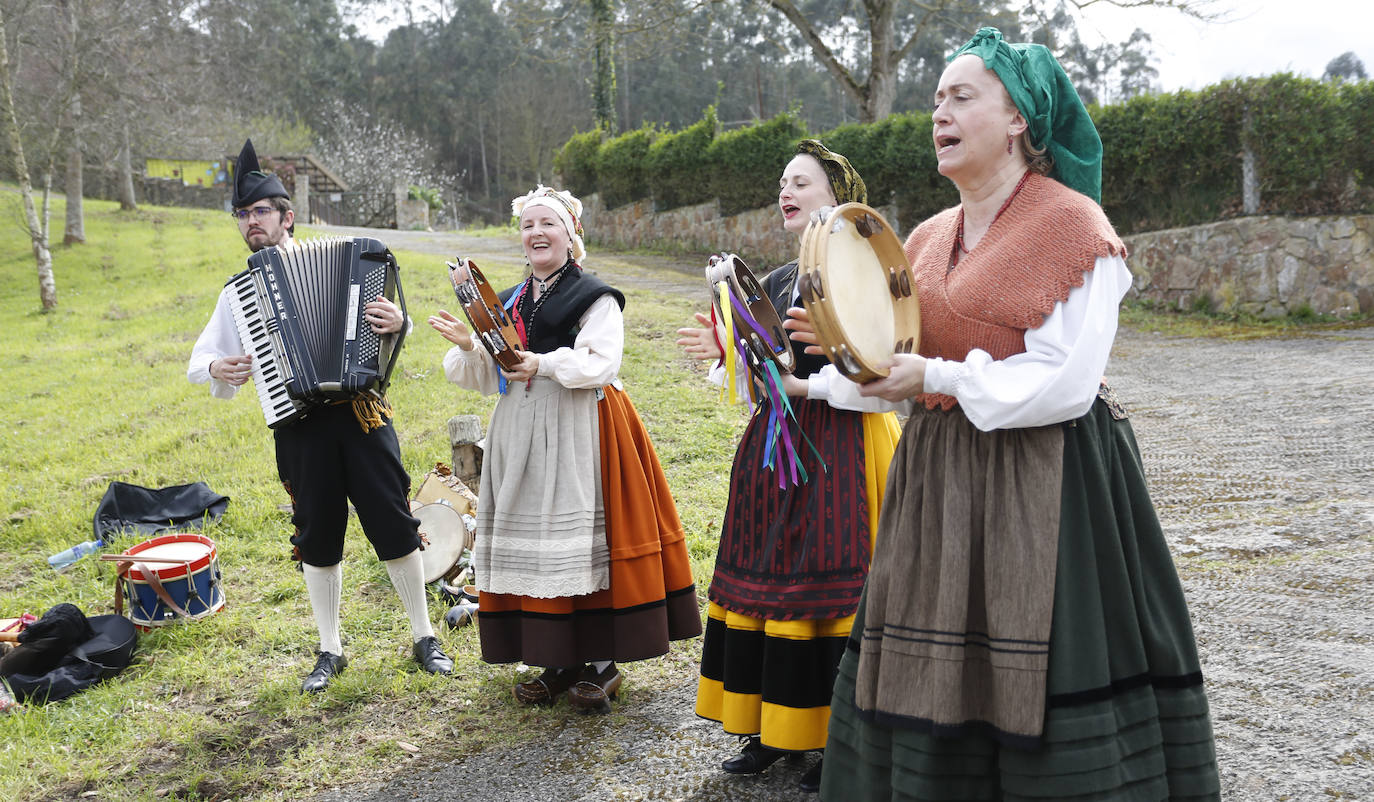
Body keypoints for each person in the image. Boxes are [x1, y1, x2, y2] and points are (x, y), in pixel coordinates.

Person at [791, 29, 1220, 799]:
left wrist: (941, 374)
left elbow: (1066, 382)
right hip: (939, 485)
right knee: (935, 665)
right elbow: (898, 372)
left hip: (1047, 482)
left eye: (961, 96)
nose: (938, 113)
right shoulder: (919, 240)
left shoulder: (1074, 227)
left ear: (1019, 117)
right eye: (934, 101)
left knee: (1040, 663)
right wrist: (825, 373)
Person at [188, 139, 454, 693]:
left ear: (287, 217)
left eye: (260, 211)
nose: (250, 222)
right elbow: (201, 357)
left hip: (360, 413)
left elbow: (389, 328)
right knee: (316, 533)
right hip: (299, 423)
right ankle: (330, 648)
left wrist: (396, 322)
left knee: (393, 521)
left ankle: (424, 635)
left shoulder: (352, 259)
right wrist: (220, 367)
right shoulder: (238, 295)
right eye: (242, 215)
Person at [676, 140, 901, 794]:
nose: (787, 191)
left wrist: (807, 389)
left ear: (837, 196)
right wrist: (727, 358)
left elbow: (886, 379)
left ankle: (839, 736)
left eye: (800, 181)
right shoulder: (773, 279)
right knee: (767, 583)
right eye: (782, 182)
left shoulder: (863, 269)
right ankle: (772, 730)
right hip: (775, 456)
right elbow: (763, 379)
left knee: (836, 595)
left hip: (847, 450)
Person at [430, 185, 701, 713]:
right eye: (528, 225)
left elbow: (600, 362)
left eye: (547, 224)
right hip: (524, 431)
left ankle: (602, 664)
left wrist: (543, 363)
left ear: (571, 235)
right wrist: (469, 346)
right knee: (540, 544)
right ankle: (557, 660)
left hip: (582, 426)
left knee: (581, 541)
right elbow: (491, 375)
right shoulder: (507, 300)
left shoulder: (594, 296)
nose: (536, 233)